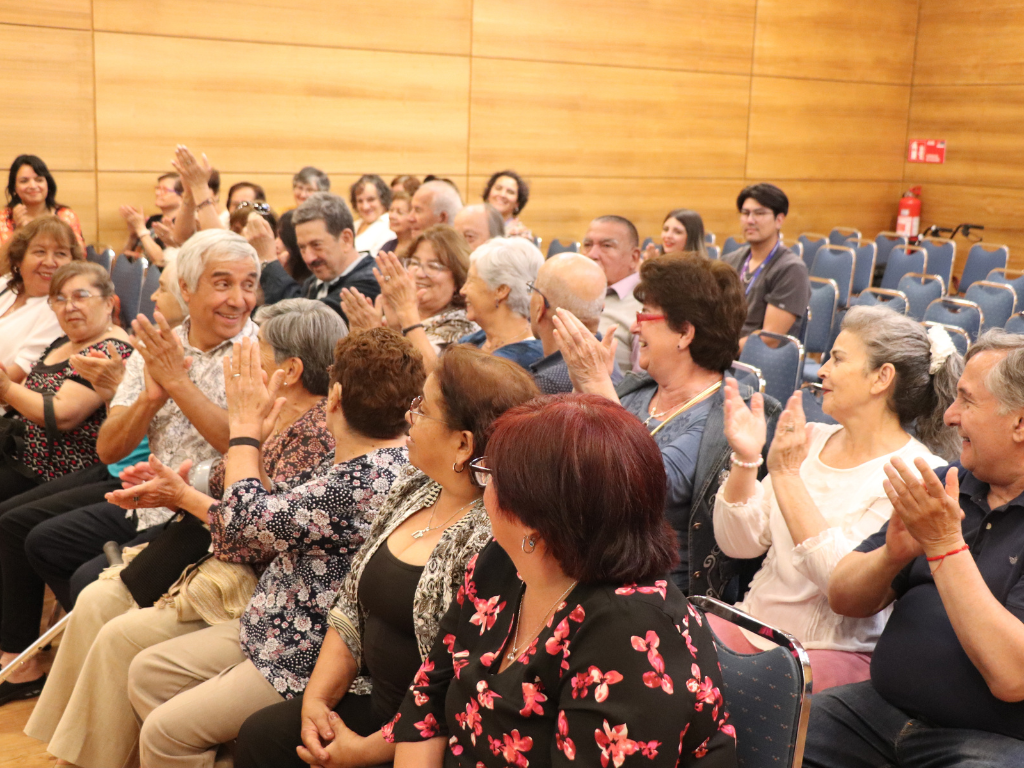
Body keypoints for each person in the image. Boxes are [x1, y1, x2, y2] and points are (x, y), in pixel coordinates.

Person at [21, 300, 345, 762]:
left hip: (256, 583)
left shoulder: (319, 431)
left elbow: (252, 528)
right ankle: (74, 751)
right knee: (96, 597)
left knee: (120, 634)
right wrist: (173, 484)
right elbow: (226, 483)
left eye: (260, 347)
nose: (247, 353)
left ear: (290, 369)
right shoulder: (277, 411)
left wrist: (183, 494)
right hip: (220, 551)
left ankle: (94, 756)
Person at [103, 328, 421, 767]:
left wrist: (245, 433)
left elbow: (242, 527)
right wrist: (183, 494)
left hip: (302, 652)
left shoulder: (359, 481)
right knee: (147, 673)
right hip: (273, 626)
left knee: (165, 732)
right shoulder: (377, 459)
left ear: (334, 396)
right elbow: (273, 513)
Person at [386, 394, 737, 767]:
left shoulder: (631, 634)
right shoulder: (500, 564)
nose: (482, 486)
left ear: (535, 519)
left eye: (491, 475)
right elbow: (426, 700)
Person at [233, 346, 541, 768]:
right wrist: (317, 700)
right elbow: (350, 603)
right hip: (369, 697)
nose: (409, 417)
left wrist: (364, 751)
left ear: (463, 444)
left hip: (422, 736)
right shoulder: (416, 484)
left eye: (424, 408)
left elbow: (453, 688)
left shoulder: (491, 535)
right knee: (260, 736)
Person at [804, 330, 1024, 767]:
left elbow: (1012, 676)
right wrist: (892, 555)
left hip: (990, 741)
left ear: (1020, 423)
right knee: (769, 730)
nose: (949, 416)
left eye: (967, 400)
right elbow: (843, 597)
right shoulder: (949, 484)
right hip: (875, 713)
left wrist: (944, 546)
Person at [714, 307, 962, 692]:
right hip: (750, 627)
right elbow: (739, 544)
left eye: (837, 358)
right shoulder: (811, 438)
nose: (823, 370)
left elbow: (839, 585)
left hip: (827, 656)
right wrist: (747, 461)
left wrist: (785, 475)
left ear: (882, 378)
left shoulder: (916, 472)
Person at [22, 229, 260, 612]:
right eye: (223, 284)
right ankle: (92, 644)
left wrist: (177, 383)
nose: (238, 299)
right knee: (42, 542)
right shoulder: (160, 345)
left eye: (249, 285)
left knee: (91, 581)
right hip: (150, 501)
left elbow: (243, 445)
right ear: (187, 287)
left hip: (209, 515)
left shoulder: (259, 351)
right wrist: (149, 400)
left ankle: (115, 643)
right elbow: (109, 448)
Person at [554, 253, 778, 599]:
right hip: (587, 568)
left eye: (645, 316)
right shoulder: (635, 392)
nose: (633, 326)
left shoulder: (729, 416)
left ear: (684, 333)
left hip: (654, 597)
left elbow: (646, 486)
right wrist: (583, 391)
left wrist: (597, 386)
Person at [0, 262, 132, 697]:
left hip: (64, 465)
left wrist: (4, 389)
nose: (70, 306)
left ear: (109, 303)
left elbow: (60, 415)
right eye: (60, 298)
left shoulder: (111, 349)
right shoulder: (64, 342)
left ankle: (18, 658)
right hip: (26, 455)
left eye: (81, 296)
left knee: (10, 523)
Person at [341, 225, 478, 370]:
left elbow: (429, 379)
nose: (419, 273)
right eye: (414, 263)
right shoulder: (395, 314)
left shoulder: (463, 325)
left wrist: (375, 337)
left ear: (457, 278)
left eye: (433, 266)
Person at [258, 192, 380, 320]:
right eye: (302, 248)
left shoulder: (370, 281)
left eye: (316, 245)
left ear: (346, 239)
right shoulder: (314, 282)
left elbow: (303, 325)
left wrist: (269, 261)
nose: (309, 258)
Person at [722, 184, 809, 347]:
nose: (750, 220)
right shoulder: (729, 262)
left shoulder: (790, 269)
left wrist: (717, 355)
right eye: (745, 213)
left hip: (756, 363)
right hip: (724, 351)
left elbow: (769, 338)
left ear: (779, 220)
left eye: (759, 213)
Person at [0, 216, 83, 384]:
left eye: (60, 253)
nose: (49, 262)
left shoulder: (60, 310)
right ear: (19, 259)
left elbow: (17, 375)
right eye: (40, 252)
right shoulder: (5, 285)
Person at [526, 251, 608, 395]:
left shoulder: (545, 385)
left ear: (540, 306)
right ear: (601, 308)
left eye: (532, 289)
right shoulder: (607, 363)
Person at [458, 237, 544, 369]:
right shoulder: (473, 341)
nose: (463, 291)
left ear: (501, 290)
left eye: (471, 281)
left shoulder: (527, 358)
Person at [582, 215, 642, 374]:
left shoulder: (646, 306)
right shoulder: (574, 293)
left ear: (633, 258)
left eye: (606, 246)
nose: (592, 254)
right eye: (587, 245)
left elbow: (644, 386)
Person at [0, 155, 84, 248]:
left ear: (48, 184)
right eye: (24, 181)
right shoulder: (3, 219)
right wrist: (19, 232)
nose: (32, 186)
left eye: (39, 180)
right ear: (14, 188)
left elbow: (80, 255)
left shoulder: (66, 216)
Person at [120, 172, 182, 264]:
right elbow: (124, 260)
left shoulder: (183, 225)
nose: (157, 193)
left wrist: (141, 229)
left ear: (183, 195)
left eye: (164, 190)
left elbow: (161, 261)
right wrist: (133, 235)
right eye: (157, 188)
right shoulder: (153, 219)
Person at [350, 174, 395, 257]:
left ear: (383, 199)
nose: (365, 207)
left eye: (371, 200)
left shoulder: (390, 226)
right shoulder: (354, 225)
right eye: (360, 201)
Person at [483, 169, 530, 237]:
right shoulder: (475, 225)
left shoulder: (521, 235)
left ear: (517, 203)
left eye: (510, 192)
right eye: (498, 188)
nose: (502, 195)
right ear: (488, 194)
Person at [378, 191, 414, 258]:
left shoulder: (417, 248)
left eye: (399, 212)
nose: (392, 216)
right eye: (391, 210)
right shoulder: (388, 246)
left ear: (412, 217)